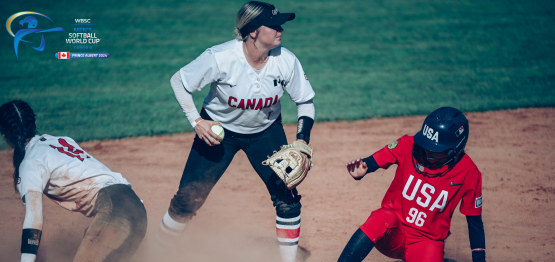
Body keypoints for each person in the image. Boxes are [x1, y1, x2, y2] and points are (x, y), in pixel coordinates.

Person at [157, 1, 315, 261]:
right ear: (253, 31)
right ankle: (157, 253)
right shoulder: (220, 57)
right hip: (219, 134)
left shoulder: (285, 60)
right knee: (187, 200)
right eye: (273, 25)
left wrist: (301, 140)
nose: (281, 29)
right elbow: (179, 81)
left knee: (287, 200)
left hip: (266, 132)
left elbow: (305, 101)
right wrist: (197, 121)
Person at [0, 100, 147, 262]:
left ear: (4, 135)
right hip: (136, 211)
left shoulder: (30, 163)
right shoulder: (61, 141)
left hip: (117, 214)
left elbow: (34, 219)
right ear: (33, 123)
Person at [338, 107, 486, 262]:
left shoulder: (469, 173)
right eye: (425, 143)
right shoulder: (408, 145)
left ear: (454, 150)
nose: (427, 150)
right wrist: (362, 170)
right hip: (393, 234)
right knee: (381, 218)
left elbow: (474, 221)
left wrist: (480, 259)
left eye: (434, 148)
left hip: (427, 243)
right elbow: (371, 162)